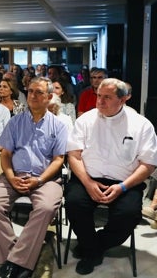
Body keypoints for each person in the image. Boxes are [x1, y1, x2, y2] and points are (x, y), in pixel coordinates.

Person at [64, 78, 157, 275]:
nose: (100, 101)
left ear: (124, 99)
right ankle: (91, 248)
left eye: (107, 97)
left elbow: (148, 164)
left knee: (129, 214)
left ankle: (93, 247)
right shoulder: (85, 120)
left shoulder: (141, 125)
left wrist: (122, 187)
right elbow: (73, 155)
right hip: (87, 178)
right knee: (74, 203)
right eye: (99, 95)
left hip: (125, 182)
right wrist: (88, 183)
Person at [0, 77, 68, 278]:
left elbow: (58, 160)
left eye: (39, 92)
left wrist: (38, 180)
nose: (33, 95)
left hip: (45, 179)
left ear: (49, 97)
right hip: (14, 176)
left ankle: (14, 263)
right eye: (30, 91)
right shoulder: (15, 122)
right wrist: (11, 178)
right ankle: (19, 258)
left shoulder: (58, 126)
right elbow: (5, 155)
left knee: (46, 208)